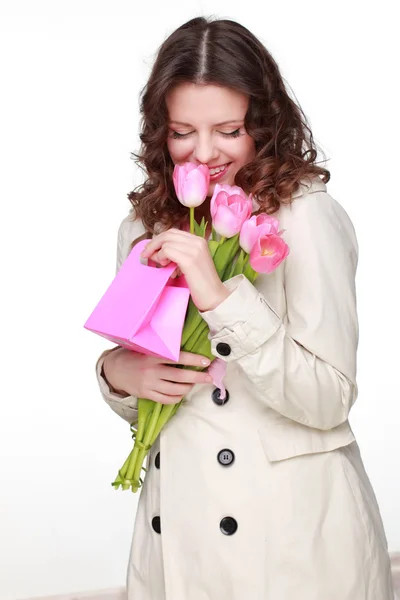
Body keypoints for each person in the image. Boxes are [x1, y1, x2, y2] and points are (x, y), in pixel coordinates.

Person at [95, 16, 394, 600]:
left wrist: (220, 296)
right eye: (182, 131)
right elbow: (160, 395)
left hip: (286, 541)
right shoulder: (146, 225)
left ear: (263, 124)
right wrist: (117, 374)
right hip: (178, 535)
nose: (204, 153)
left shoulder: (306, 219)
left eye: (228, 130)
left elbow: (329, 398)